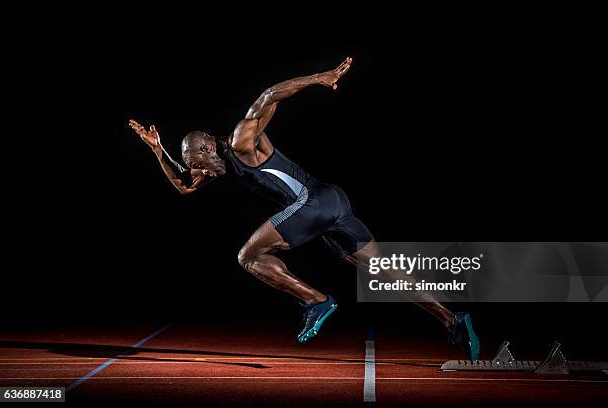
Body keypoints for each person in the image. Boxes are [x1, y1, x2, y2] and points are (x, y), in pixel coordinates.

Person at [129, 57, 480, 359]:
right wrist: (158, 151)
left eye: (197, 163)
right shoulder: (216, 164)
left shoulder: (241, 142)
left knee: (249, 256)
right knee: (385, 272)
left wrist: (318, 78)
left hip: (314, 202)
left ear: (207, 149)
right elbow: (184, 187)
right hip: (332, 205)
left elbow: (268, 95)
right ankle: (453, 319)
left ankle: (317, 301)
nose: (199, 172)